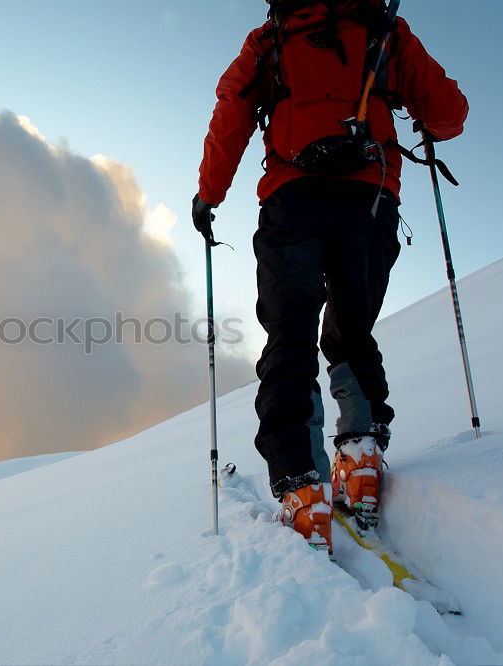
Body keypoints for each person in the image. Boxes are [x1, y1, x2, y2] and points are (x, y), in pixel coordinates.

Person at [193, 0, 467, 553]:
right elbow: (448, 113)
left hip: (292, 197)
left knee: (290, 332)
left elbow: (231, 114)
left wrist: (209, 195)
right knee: (351, 325)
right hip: (370, 196)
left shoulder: (269, 38)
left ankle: (301, 484)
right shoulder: (384, 28)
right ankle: (361, 456)